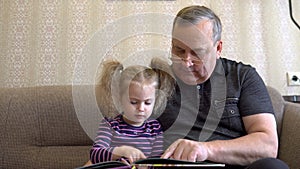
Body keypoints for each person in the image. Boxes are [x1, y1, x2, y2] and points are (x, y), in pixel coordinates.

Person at [157, 5, 289, 169]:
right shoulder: (156, 81)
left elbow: (267, 146)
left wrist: (206, 150)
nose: (186, 62)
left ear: (218, 48)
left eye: (197, 53)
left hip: (232, 165)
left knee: (272, 166)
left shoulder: (241, 76)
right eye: (179, 50)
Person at [90, 58, 175, 165]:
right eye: (134, 102)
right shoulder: (110, 124)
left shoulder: (155, 128)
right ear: (119, 98)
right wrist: (121, 151)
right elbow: (95, 154)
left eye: (147, 103)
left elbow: (157, 160)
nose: (141, 108)